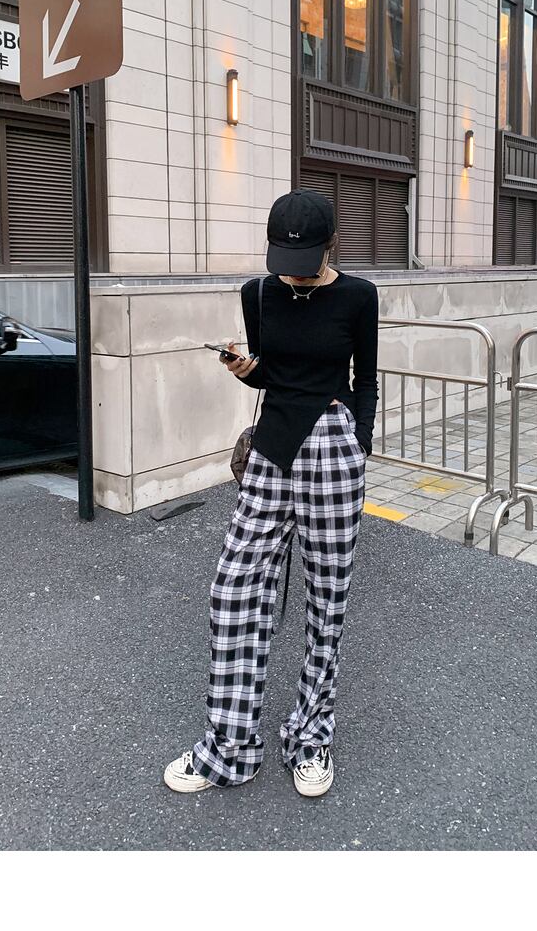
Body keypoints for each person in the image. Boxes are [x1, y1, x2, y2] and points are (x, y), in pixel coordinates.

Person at [164, 189, 378, 798]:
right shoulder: (257, 292)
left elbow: (365, 378)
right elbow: (271, 375)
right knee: (233, 588)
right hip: (272, 451)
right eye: (285, 259)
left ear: (330, 245)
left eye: (305, 260)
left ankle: (310, 737)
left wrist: (358, 441)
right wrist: (245, 370)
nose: (294, 272)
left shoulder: (359, 296)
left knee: (327, 601)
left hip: (333, 450)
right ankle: (232, 749)